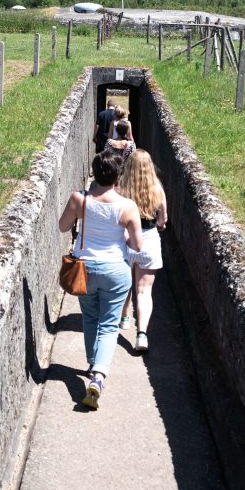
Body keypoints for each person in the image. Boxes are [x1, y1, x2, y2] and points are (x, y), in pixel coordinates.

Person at [59, 151, 142, 409]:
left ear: (95, 172)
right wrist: (122, 237)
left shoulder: (79, 199)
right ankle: (98, 375)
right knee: (108, 325)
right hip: (116, 271)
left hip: (85, 269)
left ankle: (93, 363)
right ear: (118, 176)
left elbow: (63, 227)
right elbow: (137, 245)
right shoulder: (127, 206)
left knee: (90, 318)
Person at [118, 150, 167, 352]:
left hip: (126, 241)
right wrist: (158, 225)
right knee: (144, 291)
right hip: (149, 242)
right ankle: (142, 335)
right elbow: (163, 221)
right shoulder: (158, 189)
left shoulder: (121, 188)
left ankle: (124, 318)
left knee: (125, 285)